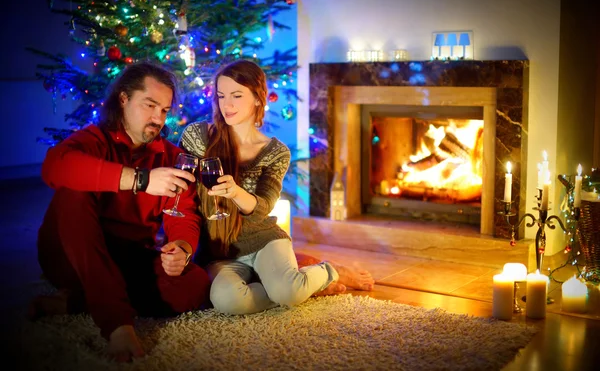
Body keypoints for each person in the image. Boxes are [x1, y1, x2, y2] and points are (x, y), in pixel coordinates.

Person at [31, 62, 211, 362]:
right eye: (150, 105)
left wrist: (183, 247)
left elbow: (184, 213)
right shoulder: (94, 140)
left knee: (195, 286)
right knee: (73, 190)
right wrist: (140, 180)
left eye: (165, 110)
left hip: (128, 258)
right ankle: (116, 321)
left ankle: (76, 301)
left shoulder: (171, 155)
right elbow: (53, 166)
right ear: (123, 99)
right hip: (74, 255)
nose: (158, 118)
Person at [179, 60, 373, 315]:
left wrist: (236, 192)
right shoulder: (198, 136)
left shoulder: (276, 152)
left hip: (264, 241)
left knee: (287, 293)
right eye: (222, 95)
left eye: (237, 95)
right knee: (229, 302)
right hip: (220, 252)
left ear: (258, 99)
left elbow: (262, 209)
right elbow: (183, 189)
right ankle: (303, 285)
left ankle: (330, 271)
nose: (227, 104)